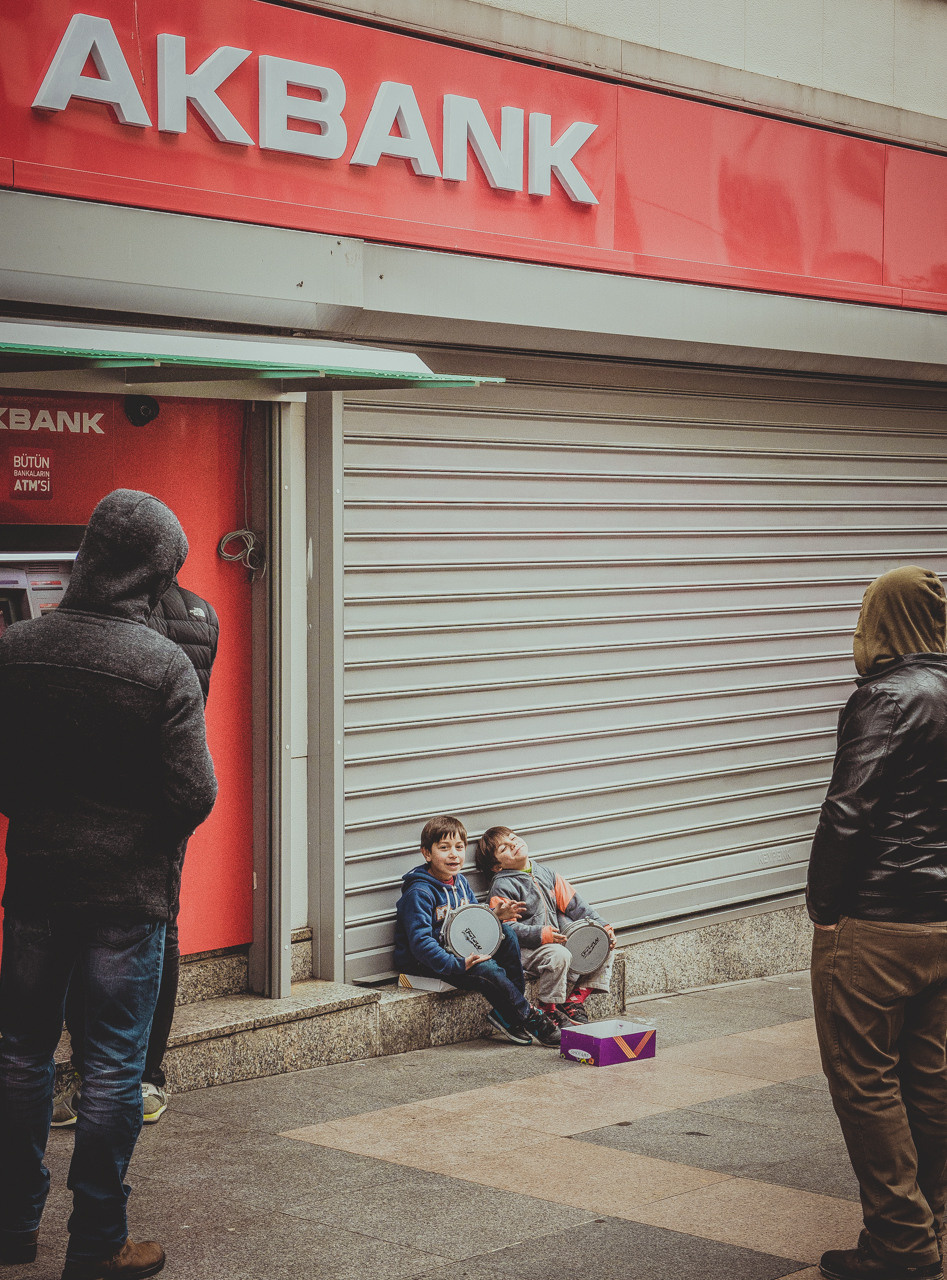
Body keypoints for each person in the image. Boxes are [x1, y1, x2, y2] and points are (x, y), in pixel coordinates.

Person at [0, 490, 218, 1280]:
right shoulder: (162, 664)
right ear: (157, 571)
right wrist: (136, 836)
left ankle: (12, 1228)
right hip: (128, 896)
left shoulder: (17, 647)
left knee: (20, 1056)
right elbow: (194, 792)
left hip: (36, 881)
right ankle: (96, 1241)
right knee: (115, 1066)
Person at [808, 565, 947, 1280]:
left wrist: (824, 912)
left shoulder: (885, 696)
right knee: (929, 1079)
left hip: (878, 923)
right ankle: (923, 1226)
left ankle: (901, 1244)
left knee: (863, 1082)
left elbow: (848, 812)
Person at [53, 579, 220, 1128]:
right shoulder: (202, 612)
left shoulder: (115, 620)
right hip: (168, 801)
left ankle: (97, 1073)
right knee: (160, 928)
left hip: (102, 804)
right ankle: (146, 1076)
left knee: (88, 932)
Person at [393, 815, 561, 1047]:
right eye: (444, 848)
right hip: (428, 962)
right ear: (427, 853)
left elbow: (473, 922)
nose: (453, 854)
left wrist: (495, 918)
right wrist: (458, 965)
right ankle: (529, 1017)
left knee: (508, 935)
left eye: (459, 847)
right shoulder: (419, 892)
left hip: (459, 949)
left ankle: (508, 1013)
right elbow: (421, 944)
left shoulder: (460, 882)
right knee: (486, 967)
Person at [476, 826, 615, 1026]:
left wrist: (604, 926)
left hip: (554, 943)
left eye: (513, 838)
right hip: (528, 951)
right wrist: (540, 935)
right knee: (560, 955)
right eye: (504, 848)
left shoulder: (546, 874)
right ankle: (547, 1010)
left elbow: (576, 905)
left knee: (603, 941)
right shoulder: (503, 886)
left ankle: (572, 1001)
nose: (513, 844)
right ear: (497, 867)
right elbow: (506, 930)